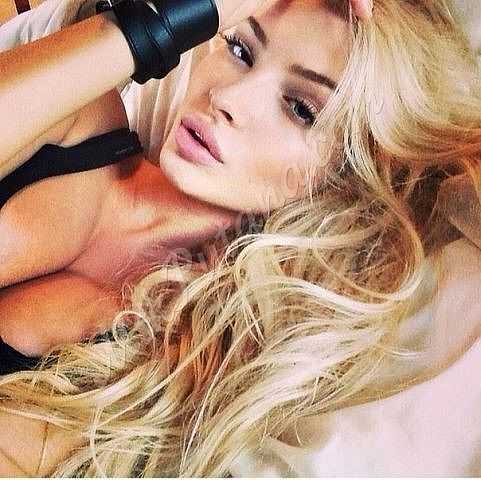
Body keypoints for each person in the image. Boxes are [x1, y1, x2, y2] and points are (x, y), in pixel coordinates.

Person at [0, 0, 480, 476]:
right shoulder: (79, 116)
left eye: (300, 109)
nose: (228, 99)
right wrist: (172, 19)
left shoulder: (176, 356)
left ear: (347, 174)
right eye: (240, 50)